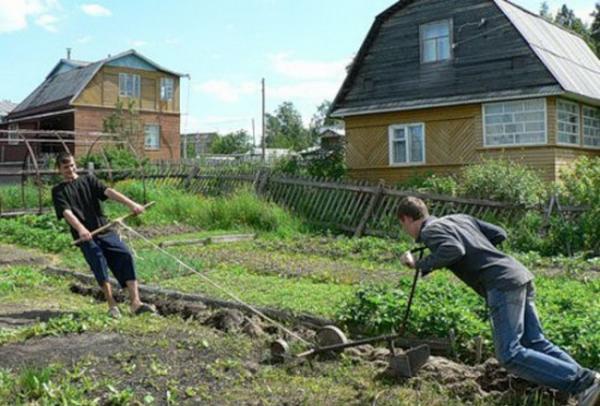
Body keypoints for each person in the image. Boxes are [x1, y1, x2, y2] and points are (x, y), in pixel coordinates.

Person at [396, 196, 599, 405]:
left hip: (501, 284)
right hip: (517, 274)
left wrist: (419, 264)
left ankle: (585, 382)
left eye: (403, 225)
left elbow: (455, 250)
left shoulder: (429, 231)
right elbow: (500, 233)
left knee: (509, 355)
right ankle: (590, 384)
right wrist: (480, 250)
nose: (406, 231)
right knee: (535, 341)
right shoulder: (459, 218)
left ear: (407, 219)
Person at [52, 152, 155, 318]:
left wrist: (132, 204)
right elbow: (66, 212)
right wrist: (81, 228)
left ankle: (136, 303)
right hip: (86, 236)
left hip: (104, 229)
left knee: (125, 254)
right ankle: (112, 305)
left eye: (72, 165)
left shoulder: (88, 180)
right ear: (59, 170)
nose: (70, 169)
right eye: (65, 167)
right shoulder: (58, 191)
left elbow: (108, 191)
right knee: (98, 261)